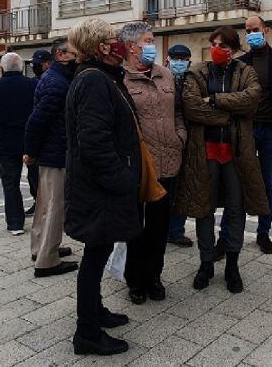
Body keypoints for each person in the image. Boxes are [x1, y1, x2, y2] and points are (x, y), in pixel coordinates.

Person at [64, 18, 141, 357]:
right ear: (100, 47)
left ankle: (95, 313)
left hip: (98, 187)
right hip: (101, 189)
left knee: (98, 252)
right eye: (113, 39)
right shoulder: (94, 81)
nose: (120, 43)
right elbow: (94, 143)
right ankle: (87, 333)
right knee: (95, 257)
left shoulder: (99, 77)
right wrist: (122, 180)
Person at [177, 26, 267, 294]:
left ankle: (232, 264)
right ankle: (206, 263)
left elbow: (251, 100)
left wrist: (214, 99)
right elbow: (191, 107)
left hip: (236, 153)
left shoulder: (245, 72)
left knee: (236, 209)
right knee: (204, 209)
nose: (218, 49)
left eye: (224, 46)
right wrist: (229, 115)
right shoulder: (197, 72)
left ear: (234, 50)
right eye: (215, 44)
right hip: (204, 152)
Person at [119, 23, 188, 304]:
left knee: (159, 226)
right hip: (138, 165)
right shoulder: (120, 79)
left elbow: (179, 112)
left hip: (169, 160)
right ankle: (134, 280)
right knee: (135, 225)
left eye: (152, 40)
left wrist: (179, 137)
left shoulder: (166, 75)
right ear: (131, 47)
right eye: (147, 41)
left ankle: (154, 276)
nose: (152, 46)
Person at [216, 15, 272, 256]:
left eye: (255, 29)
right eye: (248, 30)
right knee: (235, 181)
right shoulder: (239, 63)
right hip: (245, 131)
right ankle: (226, 235)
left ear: (266, 30)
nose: (251, 34)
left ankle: (264, 232)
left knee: (268, 183)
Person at [23, 39, 77, 277]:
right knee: (55, 208)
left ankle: (41, 248)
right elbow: (37, 121)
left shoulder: (55, 78)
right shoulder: (57, 83)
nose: (78, 56)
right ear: (60, 55)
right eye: (74, 52)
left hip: (49, 152)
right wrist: (31, 153)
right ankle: (47, 261)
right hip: (55, 154)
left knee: (45, 206)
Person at [0, 53, 38, 237]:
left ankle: (15, 223)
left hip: (6, 143)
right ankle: (45, 219)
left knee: (10, 183)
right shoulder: (34, 86)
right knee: (39, 181)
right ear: (21, 68)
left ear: (1, 69)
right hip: (33, 142)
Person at [165, 43, 194, 248]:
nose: (179, 62)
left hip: (189, 140)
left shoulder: (194, 81)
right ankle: (160, 229)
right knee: (163, 187)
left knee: (183, 187)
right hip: (164, 140)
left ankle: (176, 230)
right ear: (168, 60)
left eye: (183, 59)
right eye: (176, 58)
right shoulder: (159, 79)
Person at [24, 49, 54, 216]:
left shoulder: (51, 82)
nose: (35, 67)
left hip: (48, 140)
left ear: (48, 64)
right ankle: (38, 202)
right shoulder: (33, 83)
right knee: (33, 176)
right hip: (36, 138)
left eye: (38, 64)